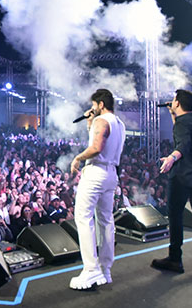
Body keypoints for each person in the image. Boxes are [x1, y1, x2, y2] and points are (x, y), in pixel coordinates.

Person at [151, 89, 192, 274]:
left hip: (182, 176)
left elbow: (183, 144)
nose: (172, 102)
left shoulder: (183, 124)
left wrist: (171, 158)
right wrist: (172, 114)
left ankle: (175, 259)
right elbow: (182, 135)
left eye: (174, 100)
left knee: (175, 216)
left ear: (178, 103)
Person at [69, 88, 126, 290]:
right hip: (111, 174)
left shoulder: (102, 121)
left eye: (94, 105)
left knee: (83, 218)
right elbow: (100, 141)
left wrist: (77, 158)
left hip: (96, 173)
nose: (92, 108)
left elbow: (96, 147)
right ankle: (105, 269)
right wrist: (89, 122)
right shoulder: (119, 124)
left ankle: (91, 269)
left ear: (101, 104)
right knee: (106, 220)